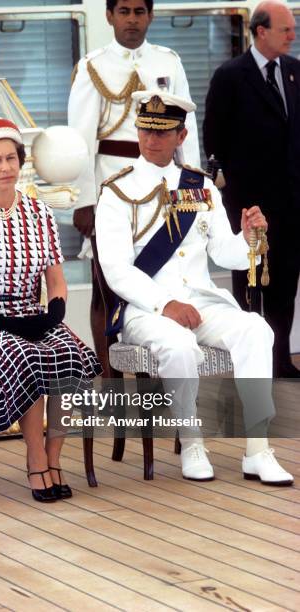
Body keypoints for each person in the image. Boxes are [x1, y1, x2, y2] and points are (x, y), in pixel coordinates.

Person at [95, 90, 293, 485]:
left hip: (202, 303)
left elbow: (226, 252)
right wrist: (165, 303)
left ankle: (257, 449)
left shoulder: (201, 187)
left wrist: (251, 237)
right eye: (145, 130)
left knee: (257, 329)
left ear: (181, 137)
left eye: (162, 132)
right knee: (178, 345)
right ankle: (191, 441)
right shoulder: (117, 191)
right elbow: (116, 269)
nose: (151, 140)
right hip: (145, 309)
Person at [0, 116, 102, 503]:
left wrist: (55, 313)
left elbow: (56, 280)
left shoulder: (39, 213)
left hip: (31, 312)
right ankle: (35, 461)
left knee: (68, 355)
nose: (5, 167)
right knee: (28, 357)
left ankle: (53, 459)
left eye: (11, 158)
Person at [68, 0, 200, 374]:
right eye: (123, 11)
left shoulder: (168, 61)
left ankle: (156, 376)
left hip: (164, 187)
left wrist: (193, 184)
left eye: (139, 12)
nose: (131, 20)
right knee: (107, 289)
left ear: (150, 16)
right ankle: (110, 381)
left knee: (160, 279)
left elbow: (186, 135)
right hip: (113, 188)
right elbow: (80, 141)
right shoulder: (94, 66)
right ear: (109, 16)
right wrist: (83, 200)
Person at [203, 0, 300, 378]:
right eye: (286, 29)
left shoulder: (295, 72)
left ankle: (279, 360)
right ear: (261, 31)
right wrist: (229, 195)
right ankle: (251, 364)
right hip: (250, 204)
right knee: (252, 283)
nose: (292, 36)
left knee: (285, 281)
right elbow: (214, 140)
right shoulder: (230, 76)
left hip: (291, 202)